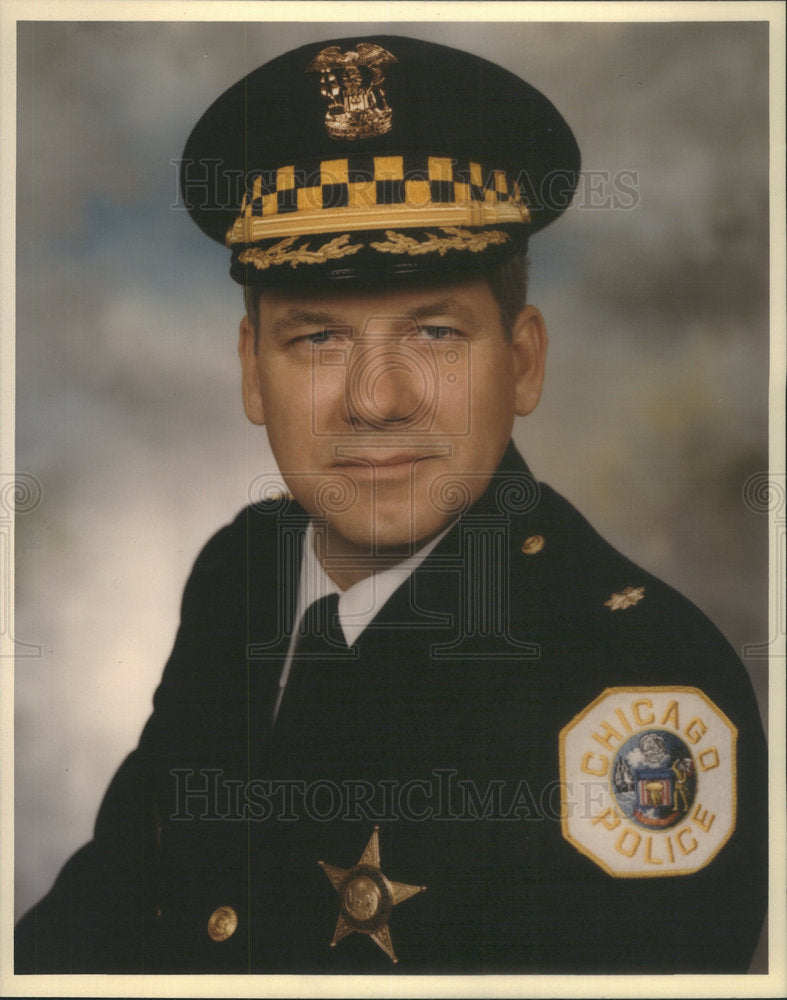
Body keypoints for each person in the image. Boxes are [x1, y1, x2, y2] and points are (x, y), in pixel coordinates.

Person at [15, 33, 767, 975]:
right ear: (252, 373)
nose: (375, 399)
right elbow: (105, 916)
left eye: (435, 332)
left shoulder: (639, 686)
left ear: (522, 361)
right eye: (318, 338)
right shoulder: (242, 569)